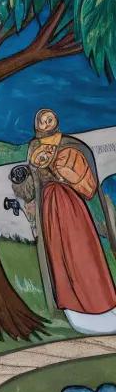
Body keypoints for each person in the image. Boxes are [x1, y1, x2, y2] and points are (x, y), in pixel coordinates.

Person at [27, 107, 116, 330]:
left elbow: (87, 185)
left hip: (71, 205)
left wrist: (64, 171)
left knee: (81, 249)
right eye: (42, 120)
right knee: (58, 252)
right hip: (49, 206)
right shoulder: (33, 148)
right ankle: (71, 303)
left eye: (50, 119)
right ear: (37, 125)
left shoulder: (70, 145)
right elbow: (33, 179)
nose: (46, 123)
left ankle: (99, 300)